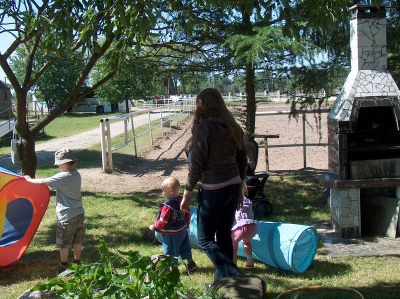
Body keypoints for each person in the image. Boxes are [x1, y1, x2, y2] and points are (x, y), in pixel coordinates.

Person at [180, 88, 248, 282]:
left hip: (214, 191)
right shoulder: (232, 126)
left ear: (203, 106)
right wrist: (241, 187)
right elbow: (243, 160)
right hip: (233, 187)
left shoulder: (205, 128)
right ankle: (223, 282)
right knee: (223, 234)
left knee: (205, 239)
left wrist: (187, 192)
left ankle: (232, 274)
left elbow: (197, 165)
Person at [25, 148, 85, 273]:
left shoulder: (64, 176)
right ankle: (77, 262)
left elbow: (43, 182)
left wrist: (28, 180)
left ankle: (63, 266)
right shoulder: (76, 175)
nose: (58, 167)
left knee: (63, 242)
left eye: (58, 165)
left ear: (64, 164)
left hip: (67, 216)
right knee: (76, 239)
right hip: (79, 213)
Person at [149, 176, 197, 271]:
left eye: (163, 190)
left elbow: (163, 221)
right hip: (182, 231)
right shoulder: (182, 201)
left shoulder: (167, 207)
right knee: (185, 247)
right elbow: (187, 213)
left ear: (170, 191)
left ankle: (171, 269)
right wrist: (186, 224)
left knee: (170, 252)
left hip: (171, 234)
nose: (163, 193)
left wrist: (154, 226)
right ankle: (191, 263)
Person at [231, 195, 258, 268]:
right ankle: (250, 260)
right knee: (247, 241)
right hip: (252, 227)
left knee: (233, 247)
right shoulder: (248, 202)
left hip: (240, 228)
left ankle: (234, 264)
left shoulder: (232, 203)